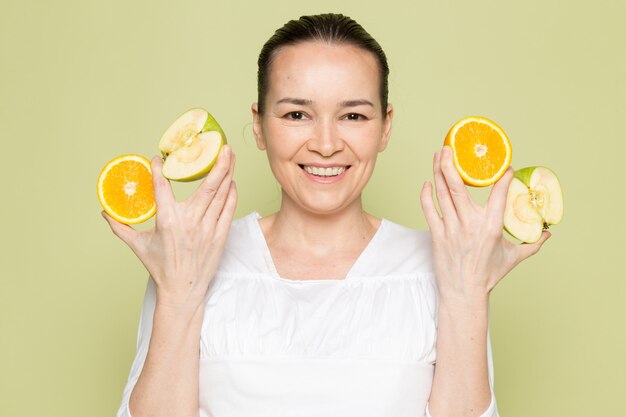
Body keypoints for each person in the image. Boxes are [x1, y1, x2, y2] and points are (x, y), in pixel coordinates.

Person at [104, 13, 550, 417]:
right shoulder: (192, 257)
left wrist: (466, 294)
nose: (325, 144)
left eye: (353, 115)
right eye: (297, 113)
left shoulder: (447, 266)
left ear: (385, 126)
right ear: (259, 125)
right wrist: (179, 293)